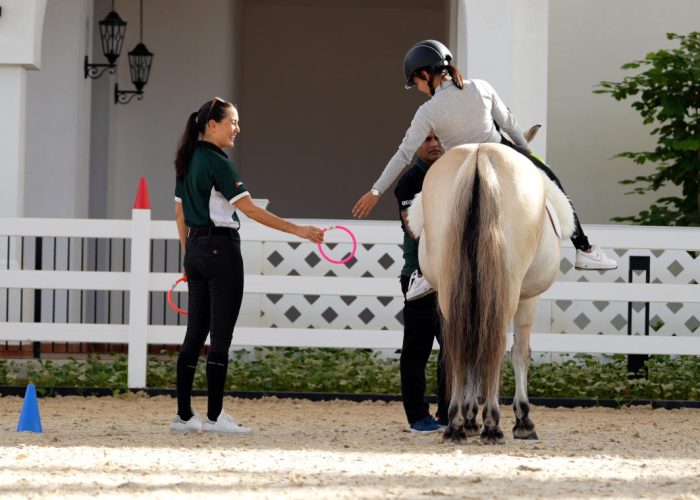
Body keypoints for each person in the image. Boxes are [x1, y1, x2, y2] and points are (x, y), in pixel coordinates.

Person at [352, 39, 617, 300]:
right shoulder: (481, 87)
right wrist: (526, 154)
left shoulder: (428, 110)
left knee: (423, 208)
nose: (419, 89)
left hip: (456, 163)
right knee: (551, 180)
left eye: (417, 83)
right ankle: (584, 248)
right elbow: (510, 124)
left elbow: (403, 154)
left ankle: (424, 274)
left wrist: (375, 191)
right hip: (500, 151)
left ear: (425, 74)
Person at [170, 97, 324, 433]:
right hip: (221, 250)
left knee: (193, 335)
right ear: (213, 124)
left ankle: (183, 416)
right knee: (220, 336)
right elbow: (250, 210)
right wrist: (298, 230)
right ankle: (213, 417)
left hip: (195, 249)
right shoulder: (218, 163)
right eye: (232, 122)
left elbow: (180, 215)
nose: (237, 128)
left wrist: (188, 255)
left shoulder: (186, 159)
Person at [395, 130, 449, 433]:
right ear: (416, 143)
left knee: (452, 349)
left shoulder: (451, 175)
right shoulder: (410, 180)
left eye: (438, 138)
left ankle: (446, 412)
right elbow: (414, 228)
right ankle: (417, 417)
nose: (434, 144)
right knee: (417, 349)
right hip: (419, 276)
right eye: (427, 139)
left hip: (448, 278)